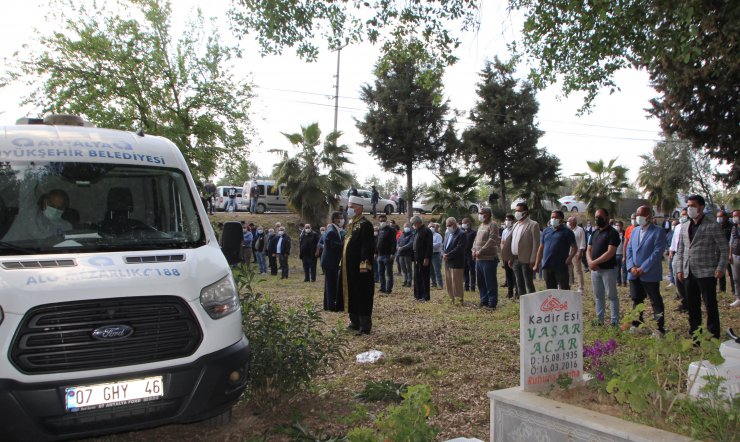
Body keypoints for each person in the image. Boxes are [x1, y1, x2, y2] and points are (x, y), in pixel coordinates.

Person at [675, 195, 729, 339]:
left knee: (710, 305)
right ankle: (695, 334)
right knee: (692, 305)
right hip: (689, 271)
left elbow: (724, 248)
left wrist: (721, 268)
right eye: (688, 206)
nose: (689, 208)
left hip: (706, 271)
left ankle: (713, 334)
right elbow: (681, 249)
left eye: (692, 206)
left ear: (701, 207)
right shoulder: (685, 225)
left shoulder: (712, 225)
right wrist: (679, 269)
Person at [625, 206, 667, 336]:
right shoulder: (635, 230)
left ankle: (659, 328)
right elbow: (629, 250)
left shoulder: (658, 232)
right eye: (637, 214)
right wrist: (631, 267)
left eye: (641, 215)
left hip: (649, 273)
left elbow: (657, 253)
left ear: (649, 216)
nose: (638, 217)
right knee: (637, 299)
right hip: (634, 273)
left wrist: (642, 268)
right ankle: (636, 324)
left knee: (655, 300)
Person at [337, 196, 375, 335]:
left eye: (351, 207)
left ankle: (364, 326)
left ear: (359, 208)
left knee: (362, 294)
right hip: (348, 266)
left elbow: (367, 246)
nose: (349, 209)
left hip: (360, 267)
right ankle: (354, 321)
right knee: (351, 293)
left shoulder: (365, 224)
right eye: (348, 206)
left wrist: (364, 264)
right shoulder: (351, 223)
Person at [587, 208, 621, 326]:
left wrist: (594, 262)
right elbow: (589, 249)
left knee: (612, 296)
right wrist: (590, 262)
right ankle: (599, 320)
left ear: (607, 217)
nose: (597, 219)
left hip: (608, 270)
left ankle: (614, 321)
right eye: (596, 217)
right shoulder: (595, 232)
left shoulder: (613, 233)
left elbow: (610, 252)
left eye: (600, 217)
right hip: (595, 270)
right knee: (598, 296)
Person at [3, 188, 73, 241]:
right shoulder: (28, 212)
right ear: (45, 202)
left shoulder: (66, 226)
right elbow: (27, 188)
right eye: (52, 205)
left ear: (64, 209)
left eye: (59, 207)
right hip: (10, 253)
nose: (55, 210)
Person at [533, 210, 577, 290]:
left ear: (561, 219)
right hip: (547, 265)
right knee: (551, 291)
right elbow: (541, 248)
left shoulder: (567, 232)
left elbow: (574, 248)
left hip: (561, 266)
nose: (553, 219)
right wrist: (536, 263)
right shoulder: (546, 231)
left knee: (564, 290)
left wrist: (570, 258)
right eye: (552, 217)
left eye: (556, 217)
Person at [505, 202, 540, 296]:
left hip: (527, 260)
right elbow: (512, 242)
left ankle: (532, 303)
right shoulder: (515, 225)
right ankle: (523, 305)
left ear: (525, 212)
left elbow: (536, 244)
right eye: (516, 211)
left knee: (528, 283)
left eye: (519, 211)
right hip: (515, 259)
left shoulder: (533, 224)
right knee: (519, 284)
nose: (517, 213)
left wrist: (533, 260)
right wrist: (510, 258)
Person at [472, 207, 501, 308]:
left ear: (488, 214)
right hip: (479, 259)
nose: (479, 215)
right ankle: (483, 300)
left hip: (489, 258)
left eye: (481, 213)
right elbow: (475, 240)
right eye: (479, 213)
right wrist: (473, 250)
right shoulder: (481, 225)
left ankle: (492, 303)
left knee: (490, 281)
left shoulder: (493, 225)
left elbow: (492, 239)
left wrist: (481, 251)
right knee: (480, 282)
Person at [322, 212, 344, 311]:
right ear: (335, 219)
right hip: (331, 261)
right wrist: (346, 243)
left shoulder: (333, 229)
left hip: (330, 261)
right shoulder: (331, 230)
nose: (342, 220)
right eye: (340, 218)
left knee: (329, 284)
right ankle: (331, 306)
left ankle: (328, 305)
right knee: (331, 284)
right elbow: (334, 245)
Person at [443, 217, 466, 305]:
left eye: (449, 225)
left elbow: (459, 248)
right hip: (447, 261)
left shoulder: (461, 234)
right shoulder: (448, 233)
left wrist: (448, 255)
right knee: (449, 281)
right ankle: (451, 297)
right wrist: (444, 253)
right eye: (447, 225)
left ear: (455, 224)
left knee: (457, 281)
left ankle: (459, 299)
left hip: (456, 262)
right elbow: (444, 245)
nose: (448, 227)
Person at [411, 215, 433, 301]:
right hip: (417, 257)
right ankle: (418, 295)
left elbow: (429, 246)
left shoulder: (426, 231)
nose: (413, 225)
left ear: (417, 223)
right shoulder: (417, 231)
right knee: (417, 276)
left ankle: (425, 296)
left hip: (424, 257)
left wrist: (427, 258)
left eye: (414, 223)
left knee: (424, 276)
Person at [375, 214, 397, 294]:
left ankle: (388, 289)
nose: (382, 222)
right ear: (379, 221)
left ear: (386, 220)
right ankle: (382, 288)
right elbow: (377, 242)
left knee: (388, 273)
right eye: (381, 220)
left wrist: (392, 253)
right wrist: (376, 252)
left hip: (388, 255)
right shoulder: (379, 230)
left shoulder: (391, 230)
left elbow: (394, 242)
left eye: (384, 220)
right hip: (380, 255)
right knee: (380, 273)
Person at [566, 216, 586, 294]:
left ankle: (581, 287)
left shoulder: (580, 230)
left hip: (576, 253)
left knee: (578, 271)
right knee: (568, 271)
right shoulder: (568, 230)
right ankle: (569, 285)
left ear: (573, 222)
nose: (568, 222)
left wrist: (580, 252)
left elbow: (582, 242)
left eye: (569, 221)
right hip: (568, 254)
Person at [716, 210, 734, 294]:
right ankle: (722, 289)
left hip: (729, 251)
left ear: (726, 217)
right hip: (719, 252)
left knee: (731, 272)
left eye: (721, 216)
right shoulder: (717, 226)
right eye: (718, 217)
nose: (719, 218)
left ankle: (734, 290)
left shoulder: (732, 226)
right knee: (720, 271)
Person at [500, 214, 517, 298]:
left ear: (513, 221)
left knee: (515, 274)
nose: (507, 221)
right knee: (508, 274)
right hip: (505, 255)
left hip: (513, 255)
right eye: (506, 219)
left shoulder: (515, 230)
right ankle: (510, 292)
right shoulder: (504, 231)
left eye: (509, 220)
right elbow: (502, 242)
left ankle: (517, 292)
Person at [461, 217, 477, 292]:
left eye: (464, 223)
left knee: (472, 271)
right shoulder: (462, 232)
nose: (463, 224)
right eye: (462, 223)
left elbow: (475, 243)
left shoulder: (473, 233)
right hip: (463, 254)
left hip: (470, 254)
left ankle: (473, 286)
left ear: (468, 224)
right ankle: (466, 286)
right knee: (465, 271)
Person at [397, 222, 415, 287]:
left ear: (410, 228)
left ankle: (409, 281)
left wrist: (403, 248)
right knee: (403, 268)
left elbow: (411, 243)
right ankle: (405, 280)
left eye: (407, 226)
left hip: (407, 254)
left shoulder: (412, 235)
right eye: (405, 226)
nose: (406, 228)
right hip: (401, 254)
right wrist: (398, 247)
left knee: (408, 268)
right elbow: (398, 242)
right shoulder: (401, 235)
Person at [730, 210, 740, 307]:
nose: (734, 217)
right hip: (735, 255)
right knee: (736, 278)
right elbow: (731, 242)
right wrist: (730, 254)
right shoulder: (734, 227)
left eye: (736, 216)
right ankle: (738, 298)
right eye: (733, 216)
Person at [430, 222, 444, 289]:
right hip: (429, 254)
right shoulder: (427, 235)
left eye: (432, 226)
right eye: (430, 226)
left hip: (436, 254)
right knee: (431, 270)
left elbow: (438, 244)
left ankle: (440, 284)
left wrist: (430, 245)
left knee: (437, 270)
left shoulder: (438, 235)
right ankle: (433, 283)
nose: (431, 228)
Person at [614, 221, 626, 287]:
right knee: (617, 269)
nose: (617, 226)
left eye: (618, 225)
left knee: (624, 269)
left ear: (621, 226)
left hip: (623, 254)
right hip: (616, 254)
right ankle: (618, 282)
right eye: (616, 225)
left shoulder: (625, 233)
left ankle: (624, 282)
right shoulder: (614, 233)